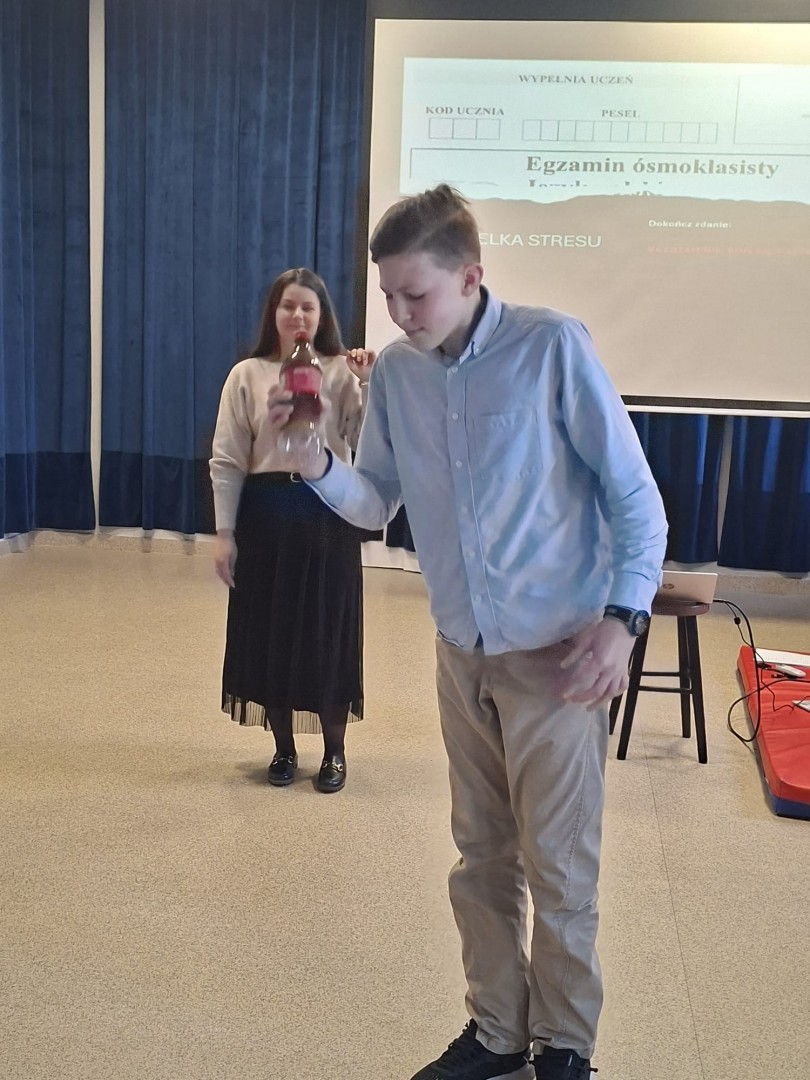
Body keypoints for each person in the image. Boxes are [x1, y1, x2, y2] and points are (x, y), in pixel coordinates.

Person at [267, 186, 667, 1079]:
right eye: (388, 296)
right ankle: (497, 1031)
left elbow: (635, 499)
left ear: (471, 277)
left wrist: (623, 621)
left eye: (416, 294)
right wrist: (317, 462)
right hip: (461, 653)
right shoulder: (399, 376)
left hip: (559, 656)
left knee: (559, 868)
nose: (400, 315)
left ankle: (564, 1045)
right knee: (480, 857)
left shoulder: (551, 348)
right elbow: (377, 502)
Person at [210, 267, 374, 793]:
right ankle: (282, 748)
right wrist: (225, 533)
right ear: (273, 314)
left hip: (328, 514)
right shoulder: (247, 375)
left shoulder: (341, 372)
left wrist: (366, 384)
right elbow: (227, 461)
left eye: (308, 307)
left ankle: (334, 752)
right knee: (271, 633)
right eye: (288, 306)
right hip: (265, 516)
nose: (298, 316)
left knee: (327, 634)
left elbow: (367, 445)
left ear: (322, 316)